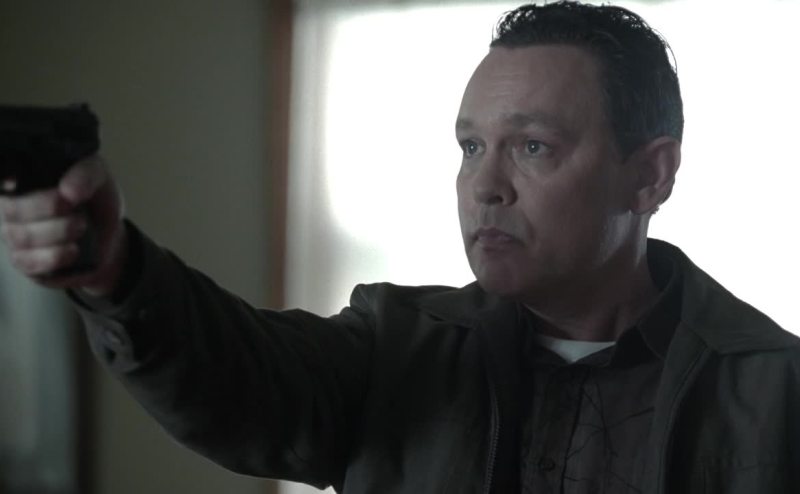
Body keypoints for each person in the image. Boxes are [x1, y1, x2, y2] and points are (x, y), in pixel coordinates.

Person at [1, 1, 798, 492]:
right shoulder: (395, 348)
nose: (484, 186)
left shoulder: (775, 392)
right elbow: (234, 375)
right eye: (470, 147)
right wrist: (116, 271)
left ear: (650, 175)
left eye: (532, 147)